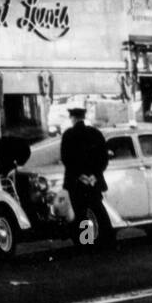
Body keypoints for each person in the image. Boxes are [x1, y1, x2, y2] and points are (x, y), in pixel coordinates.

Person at [60, 106, 113, 247]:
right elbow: (103, 157)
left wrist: (80, 175)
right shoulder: (95, 133)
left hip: (77, 181)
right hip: (94, 180)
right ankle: (107, 239)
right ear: (84, 117)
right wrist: (94, 175)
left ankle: (87, 240)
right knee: (98, 208)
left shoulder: (68, 135)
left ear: (72, 118)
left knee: (81, 212)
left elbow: (67, 159)